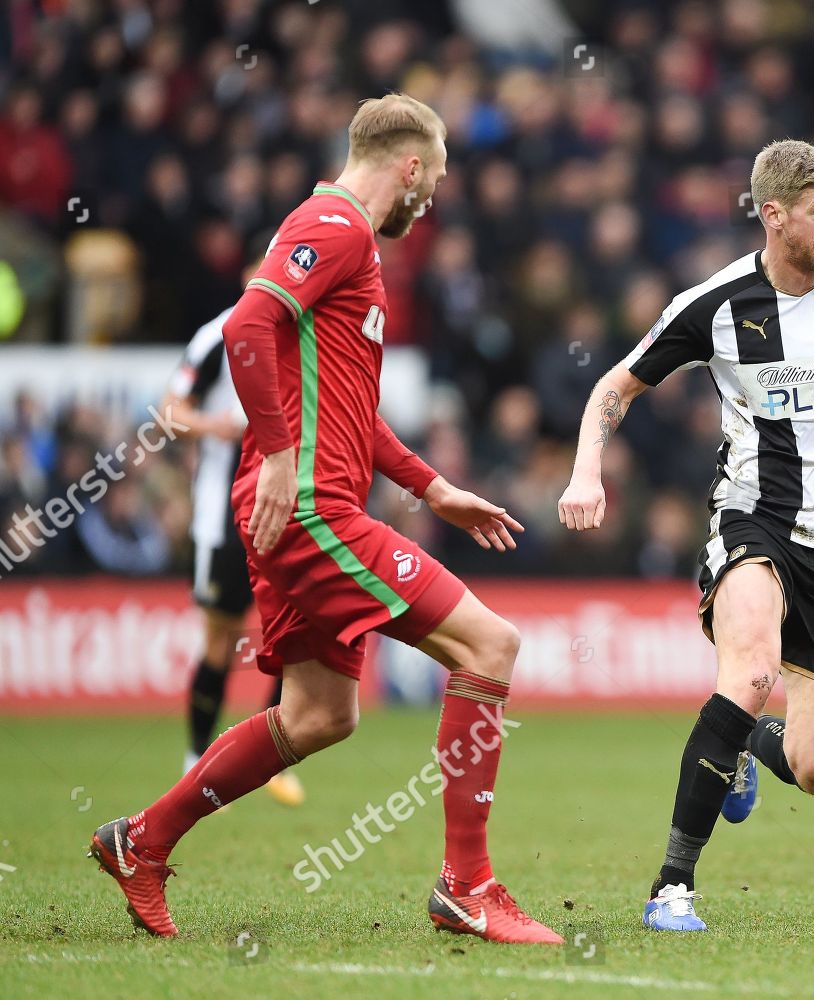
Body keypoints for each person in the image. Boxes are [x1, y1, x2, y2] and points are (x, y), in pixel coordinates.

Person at [88, 94, 561, 945]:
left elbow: (353, 410)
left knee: (318, 716)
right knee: (491, 646)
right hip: (308, 504)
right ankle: (469, 886)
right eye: (437, 177)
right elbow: (246, 328)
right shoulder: (334, 224)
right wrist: (276, 453)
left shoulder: (345, 247)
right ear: (411, 167)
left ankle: (141, 842)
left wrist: (432, 487)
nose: (433, 198)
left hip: (311, 497)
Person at [559, 139, 814, 931]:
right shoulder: (714, 304)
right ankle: (672, 886)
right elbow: (616, 387)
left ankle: (748, 744)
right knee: (747, 673)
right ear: (772, 214)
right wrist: (585, 470)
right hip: (755, 520)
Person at [162, 262, 303, 807]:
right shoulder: (218, 334)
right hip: (224, 514)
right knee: (221, 637)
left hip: (290, 507)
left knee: (295, 632)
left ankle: (271, 762)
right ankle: (196, 759)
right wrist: (213, 426)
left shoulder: (299, 333)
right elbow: (171, 411)